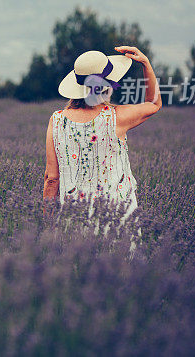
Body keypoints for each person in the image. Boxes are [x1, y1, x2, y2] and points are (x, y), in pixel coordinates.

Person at [42, 46, 162, 253]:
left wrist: (48, 225)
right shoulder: (116, 117)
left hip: (74, 219)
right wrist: (146, 64)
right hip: (117, 219)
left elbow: (51, 178)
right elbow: (154, 103)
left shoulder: (56, 120)